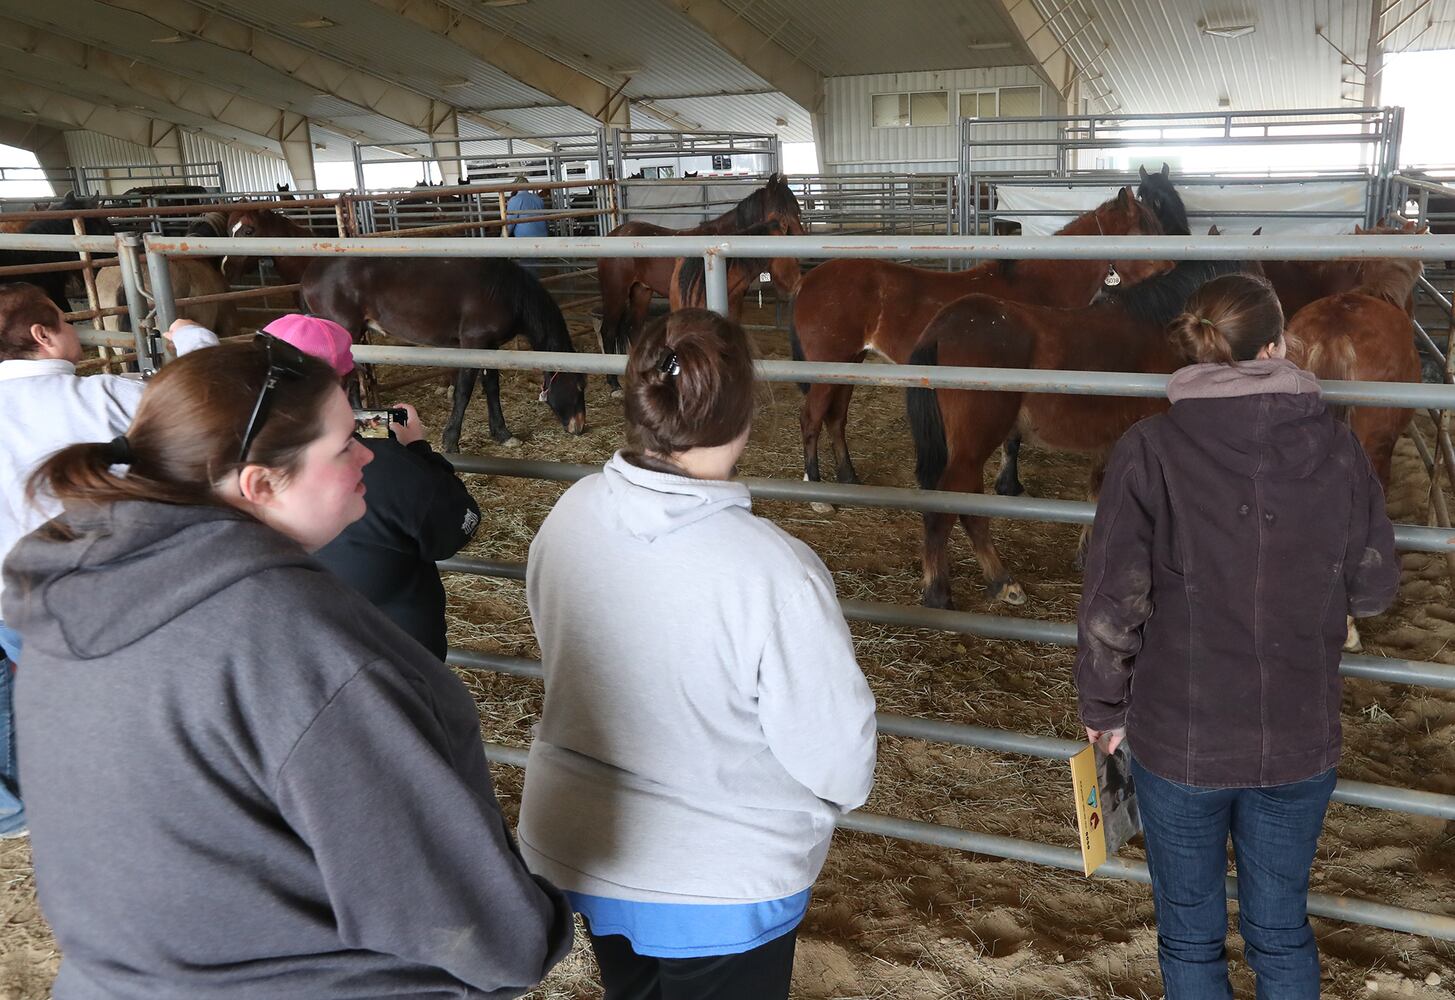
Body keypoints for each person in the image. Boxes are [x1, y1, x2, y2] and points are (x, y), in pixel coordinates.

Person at [7, 336, 572, 998]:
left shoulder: (71, 597)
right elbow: (456, 913)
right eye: (341, 448)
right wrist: (534, 932)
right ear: (259, 484)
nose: (366, 454)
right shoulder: (294, 642)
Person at [518, 308, 878, 999]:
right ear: (745, 415)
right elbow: (838, 761)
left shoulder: (568, 514)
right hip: (718, 878)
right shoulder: (774, 569)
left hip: (580, 845)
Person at [1075, 272, 1400, 1000]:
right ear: (1278, 345)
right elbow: (1375, 588)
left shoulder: (1148, 449)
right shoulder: (1338, 448)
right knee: (1280, 928)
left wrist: (1102, 711)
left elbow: (1111, 605)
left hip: (1179, 737)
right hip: (1297, 736)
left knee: (1189, 935)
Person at [0, 283, 216, 839]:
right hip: (112, 597)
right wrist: (192, 338)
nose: (77, 331)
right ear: (43, 336)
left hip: (12, 606)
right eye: (67, 322)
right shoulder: (108, 397)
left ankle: (43, 808)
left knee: (46, 693)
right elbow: (210, 400)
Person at [263, 314, 481, 660]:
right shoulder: (379, 464)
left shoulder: (213, 464)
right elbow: (457, 527)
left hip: (287, 665)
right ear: (346, 382)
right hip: (397, 668)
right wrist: (417, 450)